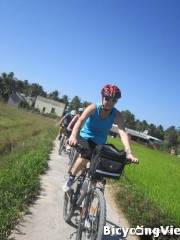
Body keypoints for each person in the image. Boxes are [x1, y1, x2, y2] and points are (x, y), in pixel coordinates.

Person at [63, 84, 138, 192]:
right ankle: (71, 178)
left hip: (100, 143)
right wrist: (73, 136)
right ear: (102, 97)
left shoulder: (117, 115)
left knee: (99, 169)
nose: (110, 102)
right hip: (85, 138)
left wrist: (129, 152)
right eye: (107, 98)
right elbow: (80, 121)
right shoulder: (93, 108)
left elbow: (122, 132)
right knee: (86, 155)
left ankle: (89, 199)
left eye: (114, 100)